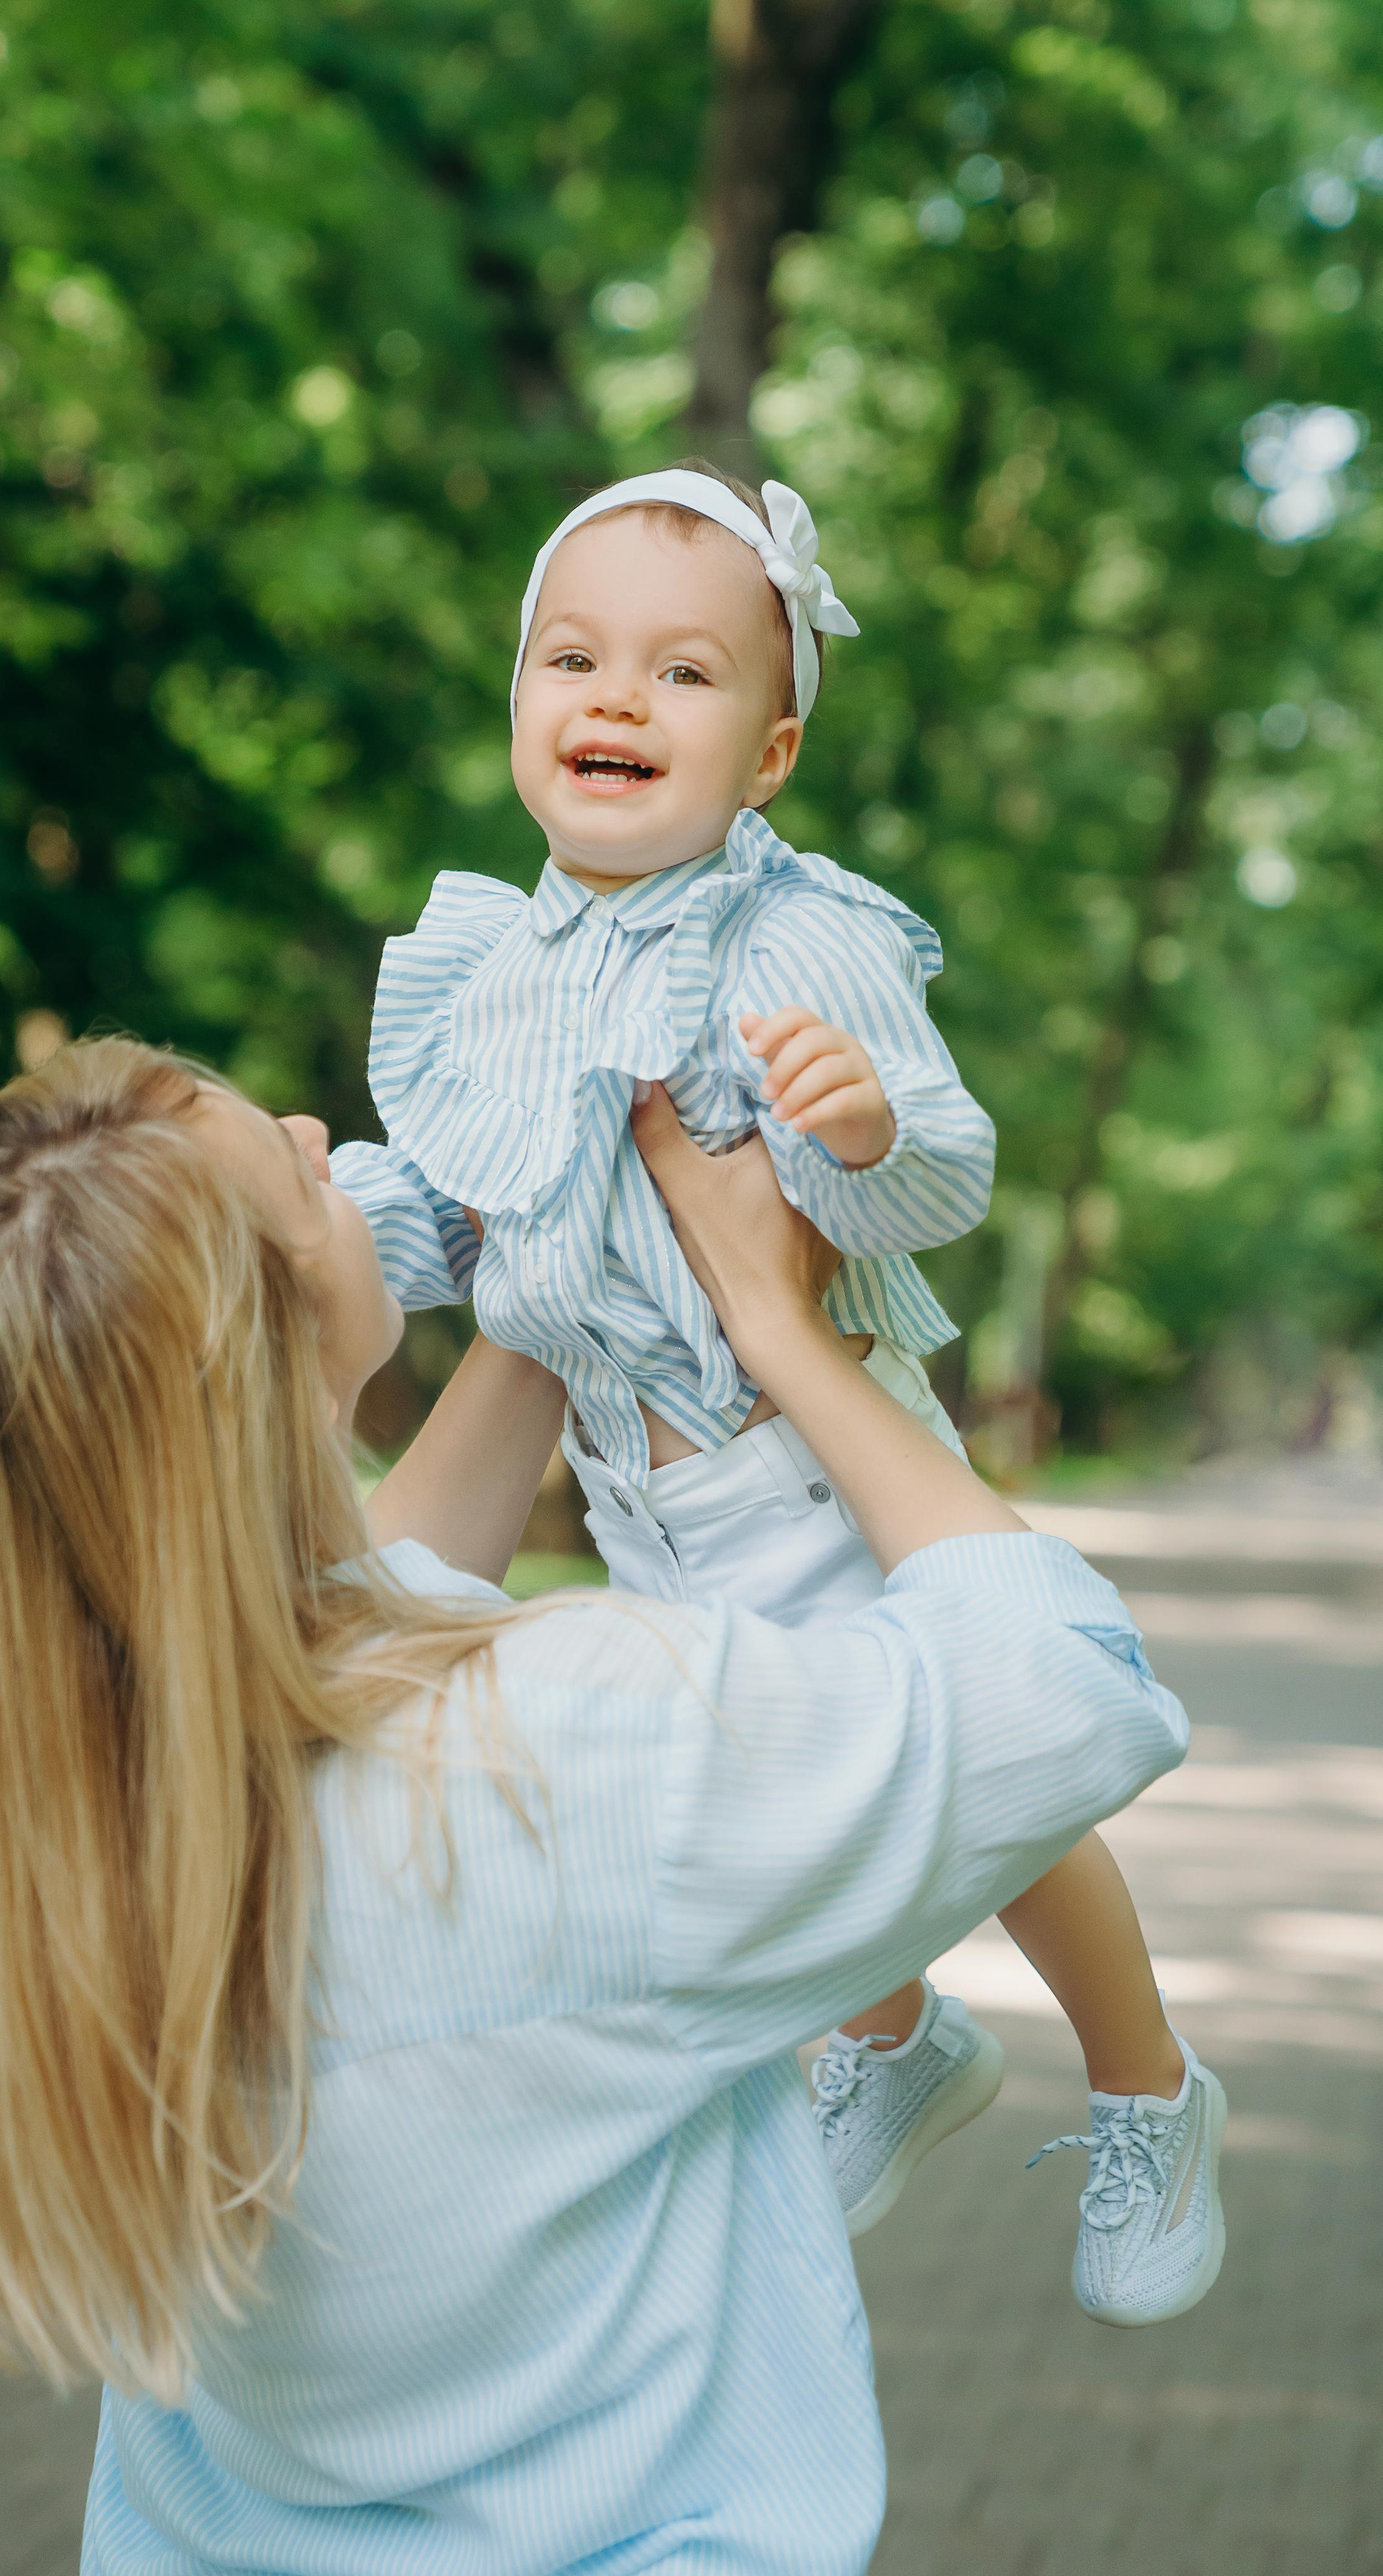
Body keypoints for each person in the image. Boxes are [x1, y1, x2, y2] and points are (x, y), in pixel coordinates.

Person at [0, 1036, 1189, 2576]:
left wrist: (558, 1278)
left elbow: (379, 1616)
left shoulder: (17, 1821)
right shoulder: (565, 1763)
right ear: (258, 1351)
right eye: (295, 1167)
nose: (324, 1129)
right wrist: (778, 1329)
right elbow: (1062, 1687)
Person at [325, 462, 1225, 2324]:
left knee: (1003, 1788)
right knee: (797, 1803)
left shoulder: (792, 939)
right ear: (518, 707)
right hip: (647, 1513)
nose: (616, 703)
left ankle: (1149, 2083)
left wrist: (862, 1123)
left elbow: (944, 1172)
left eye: (682, 676)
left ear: (773, 750)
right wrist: (311, 1225)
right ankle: (892, 2044)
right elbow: (456, 1192)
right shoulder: (495, 969)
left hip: (816, 1469)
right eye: (573, 660)